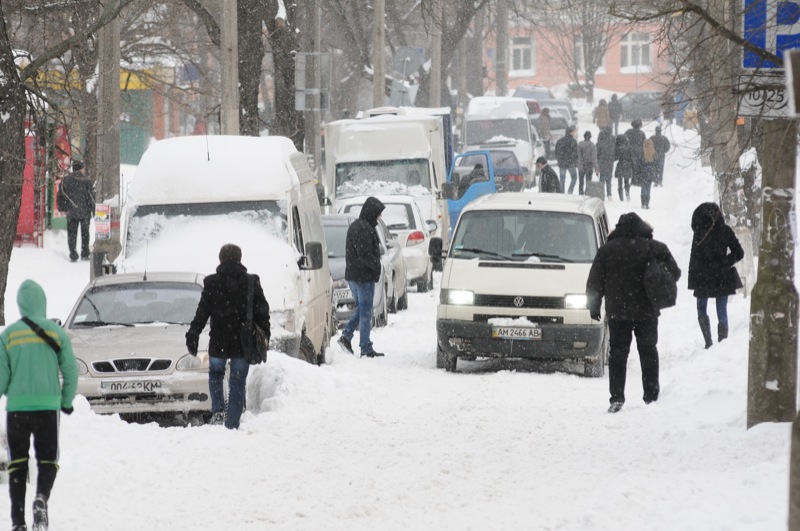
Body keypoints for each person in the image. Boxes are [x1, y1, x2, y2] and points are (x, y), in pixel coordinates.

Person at [0, 279, 78, 531]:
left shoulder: (8, 335)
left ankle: (18, 522)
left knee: (17, 465)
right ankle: (41, 498)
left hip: (17, 410)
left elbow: (1, 377)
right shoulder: (56, 333)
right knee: (48, 460)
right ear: (42, 301)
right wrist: (65, 400)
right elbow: (71, 371)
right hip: (47, 407)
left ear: (20, 304)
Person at [586, 213, 681, 413]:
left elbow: (595, 282)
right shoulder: (655, 248)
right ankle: (651, 396)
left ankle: (617, 398)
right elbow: (675, 272)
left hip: (618, 312)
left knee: (618, 354)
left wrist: (594, 307)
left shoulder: (607, 250)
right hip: (646, 311)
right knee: (648, 352)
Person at [186, 244, 270, 429]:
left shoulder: (211, 282)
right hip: (243, 341)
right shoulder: (251, 282)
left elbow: (202, 313)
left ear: (220, 259)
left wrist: (193, 334)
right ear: (240, 259)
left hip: (219, 340)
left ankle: (217, 412)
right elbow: (262, 311)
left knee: (216, 374)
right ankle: (232, 423)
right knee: (238, 380)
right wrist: (265, 334)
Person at [687, 203, 744, 349]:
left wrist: (693, 278)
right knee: (721, 309)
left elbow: (694, 258)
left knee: (701, 307)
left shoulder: (699, 233)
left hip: (702, 277)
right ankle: (722, 344)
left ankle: (708, 342)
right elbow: (739, 252)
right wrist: (725, 263)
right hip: (722, 276)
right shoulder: (725, 231)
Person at [338, 196, 386, 358]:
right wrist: (376, 266)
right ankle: (363, 346)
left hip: (353, 275)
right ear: (371, 212)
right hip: (363, 277)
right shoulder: (365, 229)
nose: (379, 218)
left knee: (362, 309)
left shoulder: (355, 226)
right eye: (378, 214)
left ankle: (348, 336)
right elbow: (365, 255)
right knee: (366, 312)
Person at [58, 160, 95, 262]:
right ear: (81, 168)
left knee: (72, 234)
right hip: (85, 212)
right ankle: (85, 252)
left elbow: (61, 195)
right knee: (85, 233)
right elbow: (91, 197)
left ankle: (73, 253)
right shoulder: (86, 181)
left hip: (71, 212)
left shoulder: (66, 180)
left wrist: (63, 208)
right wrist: (93, 210)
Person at [555, 125, 579, 194]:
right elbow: (576, 153)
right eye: (574, 132)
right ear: (571, 133)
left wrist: (559, 160)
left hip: (562, 163)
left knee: (562, 179)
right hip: (571, 163)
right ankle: (570, 191)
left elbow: (556, 152)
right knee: (574, 178)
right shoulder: (573, 141)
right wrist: (575, 161)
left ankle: (562, 192)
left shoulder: (560, 141)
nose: (575, 133)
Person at [624, 118, 646, 187]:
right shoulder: (642, 133)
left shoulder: (628, 132)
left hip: (630, 151)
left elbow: (624, 140)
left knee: (632, 166)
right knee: (639, 166)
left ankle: (632, 179)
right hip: (639, 151)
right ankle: (637, 180)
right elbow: (644, 143)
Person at [596, 128, 615, 200]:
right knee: (609, 178)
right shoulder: (612, 142)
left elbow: (597, 154)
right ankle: (609, 194)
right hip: (610, 162)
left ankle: (601, 192)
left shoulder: (600, 143)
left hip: (602, 162)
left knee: (602, 178)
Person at [577, 130, 598, 195]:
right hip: (589, 166)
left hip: (581, 165)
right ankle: (587, 192)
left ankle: (580, 192)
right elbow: (594, 158)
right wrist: (596, 167)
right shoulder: (592, 145)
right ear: (590, 137)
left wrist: (579, 163)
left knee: (581, 181)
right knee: (588, 181)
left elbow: (578, 155)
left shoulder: (580, 144)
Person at [614, 134, 632, 202]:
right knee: (626, 182)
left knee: (620, 183)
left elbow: (615, 158)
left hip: (620, 165)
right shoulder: (629, 148)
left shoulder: (618, 148)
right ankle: (627, 195)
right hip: (627, 166)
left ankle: (621, 197)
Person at [641, 138, 657, 209]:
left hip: (644, 172)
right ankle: (647, 203)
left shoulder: (643, 152)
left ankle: (643, 202)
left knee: (643, 187)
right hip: (651, 172)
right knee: (648, 188)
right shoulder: (654, 153)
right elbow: (656, 163)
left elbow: (639, 162)